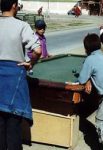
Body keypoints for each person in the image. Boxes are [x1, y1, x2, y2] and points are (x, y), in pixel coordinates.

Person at [0, 0, 42, 149]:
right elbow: (38, 50)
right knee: (13, 125)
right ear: (14, 5)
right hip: (13, 81)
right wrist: (31, 63)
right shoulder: (21, 26)